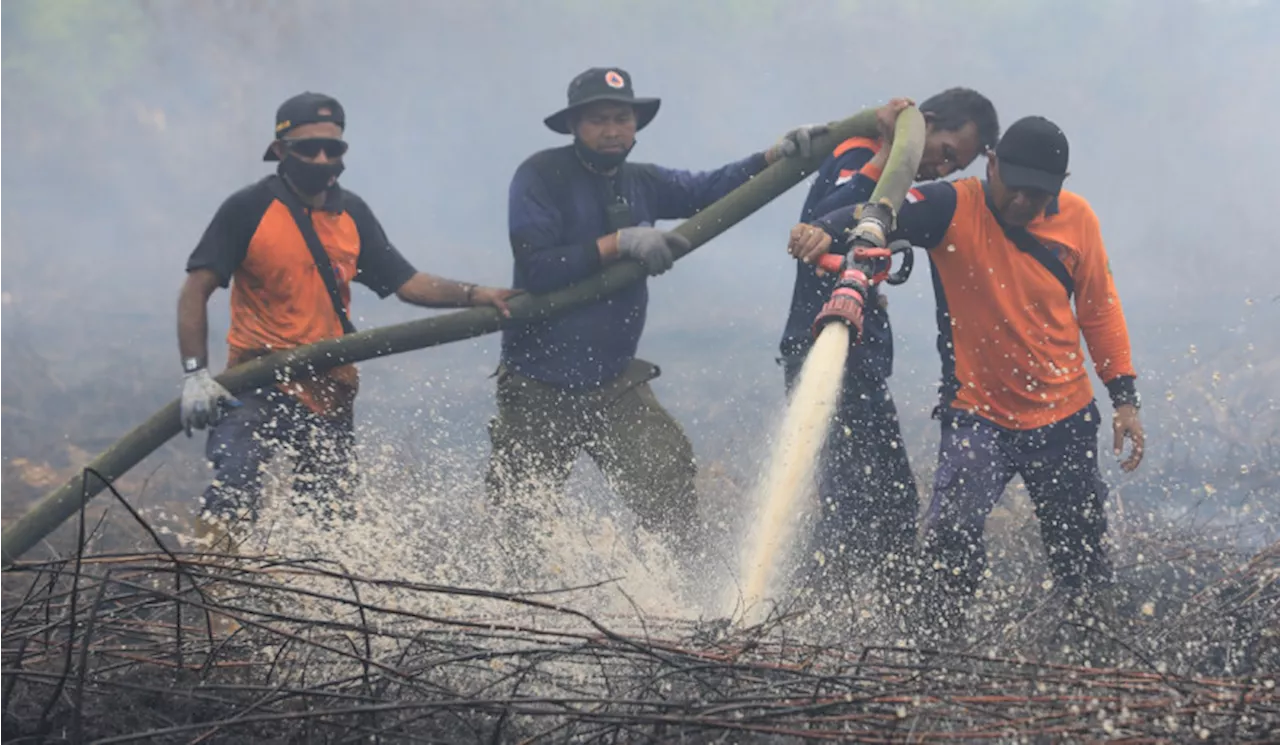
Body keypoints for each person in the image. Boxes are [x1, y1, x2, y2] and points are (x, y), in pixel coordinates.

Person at [804, 115, 1145, 633]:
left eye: (1039, 195)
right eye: (1015, 189)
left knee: (1079, 550)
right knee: (949, 542)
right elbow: (875, 214)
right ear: (991, 165)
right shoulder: (951, 205)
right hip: (978, 417)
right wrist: (822, 231)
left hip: (1064, 417)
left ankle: (1094, 645)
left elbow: (1099, 310)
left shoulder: (1077, 220)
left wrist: (1124, 398)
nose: (1024, 204)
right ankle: (935, 649)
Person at [485, 66, 825, 571]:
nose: (612, 130)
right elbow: (535, 267)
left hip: (612, 376)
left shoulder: (640, 181)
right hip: (539, 380)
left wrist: (774, 157)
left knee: (667, 479)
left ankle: (672, 596)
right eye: (598, 120)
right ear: (575, 126)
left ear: (636, 126)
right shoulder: (540, 175)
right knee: (518, 517)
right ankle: (506, 607)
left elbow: (709, 189)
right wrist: (618, 244)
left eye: (621, 119)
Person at [178, 91, 517, 542]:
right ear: (280, 152)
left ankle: (312, 600)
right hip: (256, 382)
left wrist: (476, 294)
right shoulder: (248, 209)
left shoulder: (350, 213)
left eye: (332, 148)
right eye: (307, 148)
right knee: (235, 489)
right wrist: (195, 375)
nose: (321, 158)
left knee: (328, 518)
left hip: (329, 387)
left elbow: (407, 282)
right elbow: (194, 290)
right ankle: (211, 598)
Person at [781, 89, 999, 600]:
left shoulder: (904, 188)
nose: (939, 169)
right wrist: (886, 156)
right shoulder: (858, 152)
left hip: (860, 358)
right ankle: (800, 615)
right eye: (944, 152)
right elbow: (826, 222)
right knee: (848, 504)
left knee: (895, 505)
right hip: (820, 349)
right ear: (923, 124)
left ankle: (883, 622)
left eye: (954, 166)